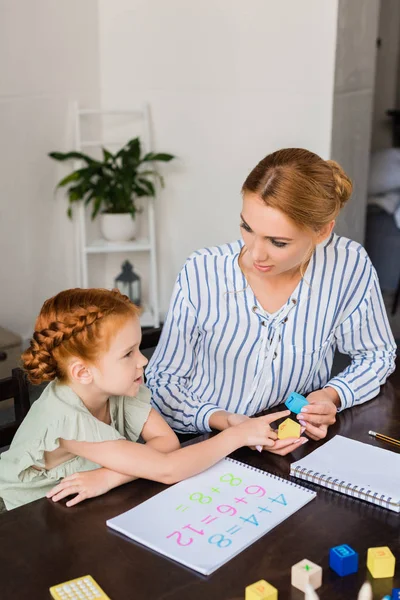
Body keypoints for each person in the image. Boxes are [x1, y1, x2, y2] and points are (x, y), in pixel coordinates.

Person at [147, 148, 397, 453]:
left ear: (322, 231)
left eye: (278, 242)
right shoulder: (202, 271)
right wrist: (227, 423)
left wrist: (331, 396)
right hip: (199, 439)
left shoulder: (347, 266)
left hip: (286, 442)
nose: (256, 254)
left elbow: (377, 356)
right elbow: (162, 382)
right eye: (247, 228)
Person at [0, 288, 290, 511]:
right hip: (24, 514)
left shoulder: (120, 385)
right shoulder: (65, 419)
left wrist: (110, 476)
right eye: (128, 354)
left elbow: (167, 444)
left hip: (78, 500)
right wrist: (236, 435)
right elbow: (168, 468)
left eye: (139, 349)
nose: (143, 361)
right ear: (83, 372)